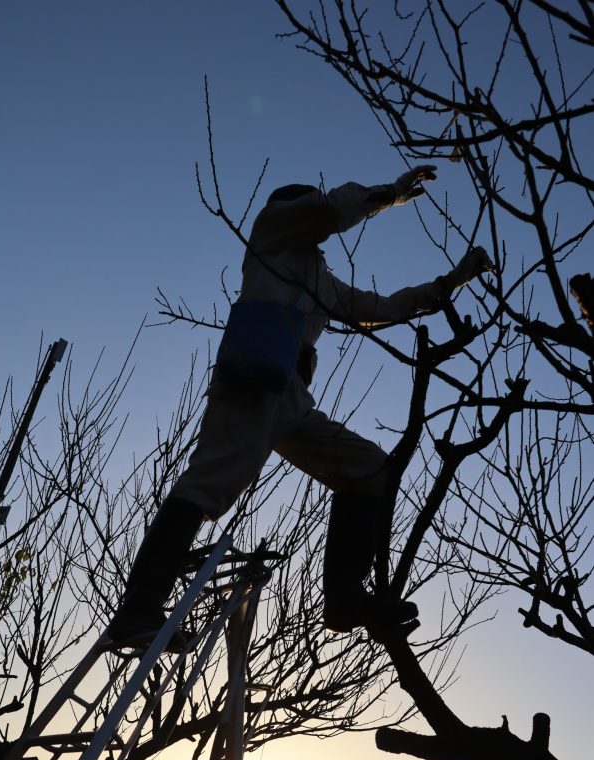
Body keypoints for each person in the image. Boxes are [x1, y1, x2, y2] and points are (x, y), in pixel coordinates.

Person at [105, 165, 491, 649]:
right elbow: (328, 211)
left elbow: (384, 308)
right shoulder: (270, 234)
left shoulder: (321, 280)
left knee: (370, 469)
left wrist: (453, 281)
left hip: (291, 399)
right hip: (250, 382)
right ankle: (137, 611)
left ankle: (344, 596)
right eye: (306, 210)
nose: (312, 219)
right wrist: (391, 194)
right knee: (207, 485)